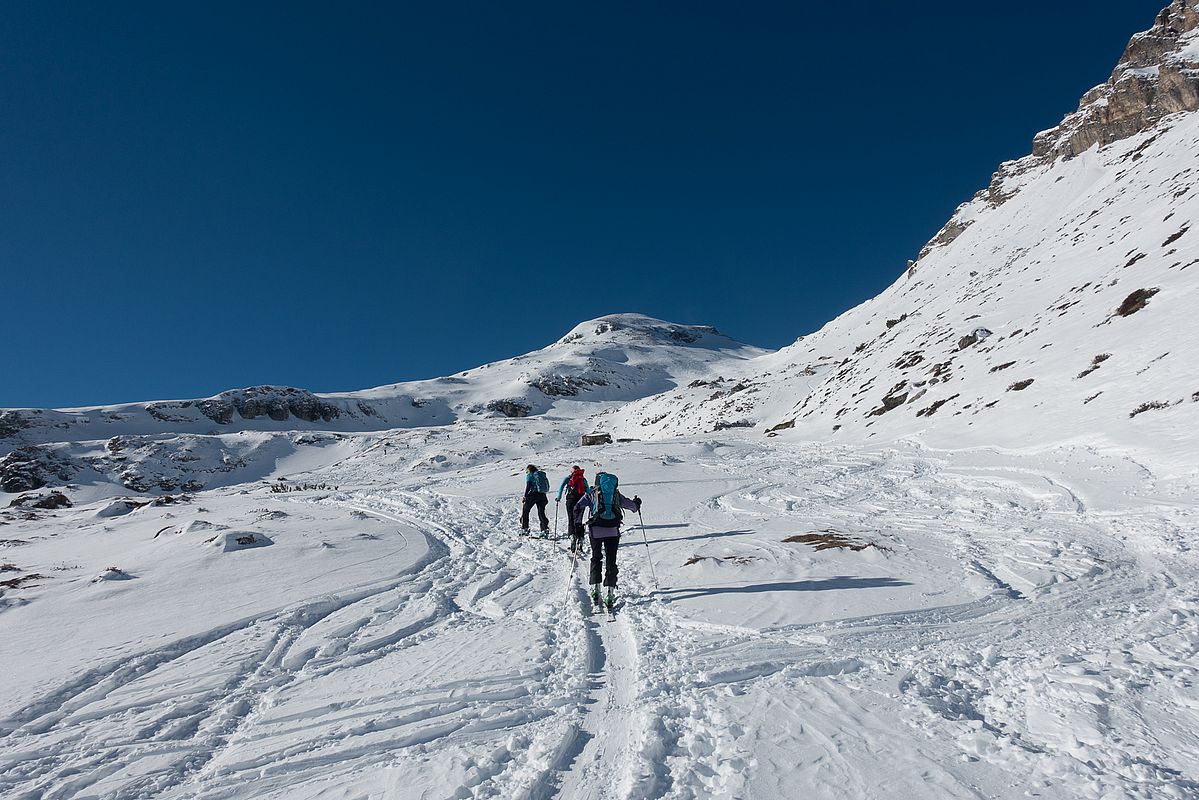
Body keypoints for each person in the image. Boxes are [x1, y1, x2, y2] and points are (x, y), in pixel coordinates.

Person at [573, 470, 641, 608]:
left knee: (596, 558)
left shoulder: (592, 494)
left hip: (595, 530)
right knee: (611, 560)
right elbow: (632, 507)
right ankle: (609, 592)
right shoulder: (616, 494)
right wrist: (637, 503)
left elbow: (577, 507)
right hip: (613, 531)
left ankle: (596, 589)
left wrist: (578, 526)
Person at [555, 465, 590, 553]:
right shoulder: (583, 479)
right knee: (579, 520)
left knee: (571, 519)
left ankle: (572, 536)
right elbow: (588, 491)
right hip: (581, 501)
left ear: (572, 471)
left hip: (570, 501)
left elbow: (561, 488)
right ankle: (580, 538)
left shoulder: (568, 478)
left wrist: (558, 497)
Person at [521, 464, 550, 535]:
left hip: (532, 495)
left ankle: (525, 529)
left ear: (529, 470)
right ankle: (544, 530)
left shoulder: (530, 476)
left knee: (525, 511)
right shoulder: (540, 475)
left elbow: (528, 486)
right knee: (541, 512)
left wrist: (525, 496)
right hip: (542, 495)